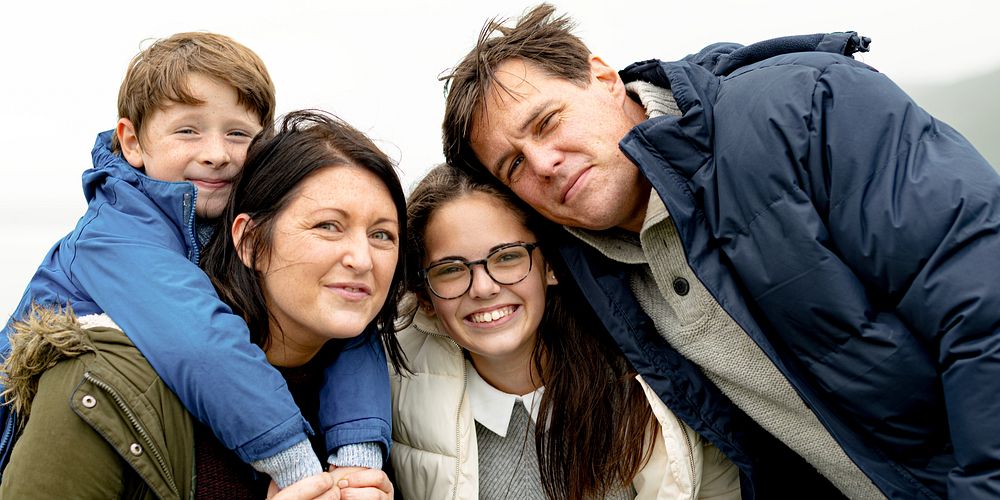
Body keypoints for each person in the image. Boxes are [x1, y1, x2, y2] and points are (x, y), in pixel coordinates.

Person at [440, 4, 1000, 499]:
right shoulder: (581, 267)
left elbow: (982, 307)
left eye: (547, 121)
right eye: (513, 165)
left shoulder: (805, 106)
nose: (542, 163)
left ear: (603, 77)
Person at [0, 33, 395, 488]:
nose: (216, 154)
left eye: (238, 134)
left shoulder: (228, 224)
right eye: (188, 130)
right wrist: (296, 467)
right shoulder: (115, 233)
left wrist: (357, 455)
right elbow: (202, 344)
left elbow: (351, 331)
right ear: (131, 142)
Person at [389, 164, 741, 499]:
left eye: (508, 257)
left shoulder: (645, 387)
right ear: (425, 297)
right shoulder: (396, 407)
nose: (483, 288)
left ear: (550, 268)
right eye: (450, 269)